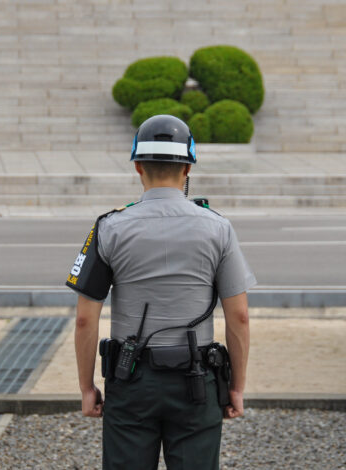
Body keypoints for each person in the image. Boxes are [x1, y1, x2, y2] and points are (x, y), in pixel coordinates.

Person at [66, 114, 255, 470]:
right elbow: (240, 316)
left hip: (130, 377)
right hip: (197, 381)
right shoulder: (219, 228)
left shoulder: (109, 228)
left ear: (138, 166)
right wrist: (236, 388)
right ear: (188, 167)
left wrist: (87, 387)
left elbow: (84, 319)